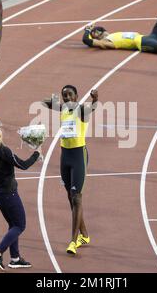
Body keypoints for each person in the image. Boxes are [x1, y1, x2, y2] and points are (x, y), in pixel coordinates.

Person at [42, 85, 98, 255]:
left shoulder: (81, 110)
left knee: (77, 198)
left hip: (78, 156)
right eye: (64, 95)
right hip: (64, 156)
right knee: (70, 197)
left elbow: (92, 108)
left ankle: (73, 242)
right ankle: (85, 235)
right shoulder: (63, 109)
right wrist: (55, 101)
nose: (66, 97)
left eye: (69, 95)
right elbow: (44, 103)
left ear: (76, 96)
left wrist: (95, 99)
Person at [0, 121, 41, 270]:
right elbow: (23, 165)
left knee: (13, 225)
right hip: (9, 194)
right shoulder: (3, 151)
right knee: (20, 225)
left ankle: (15, 258)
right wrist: (36, 153)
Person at [82, 8, 157, 61]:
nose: (96, 32)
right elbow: (86, 41)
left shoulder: (111, 34)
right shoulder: (107, 42)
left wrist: (91, 29)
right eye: (94, 33)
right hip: (143, 43)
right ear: (96, 35)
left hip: (149, 37)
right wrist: (87, 30)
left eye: (96, 30)